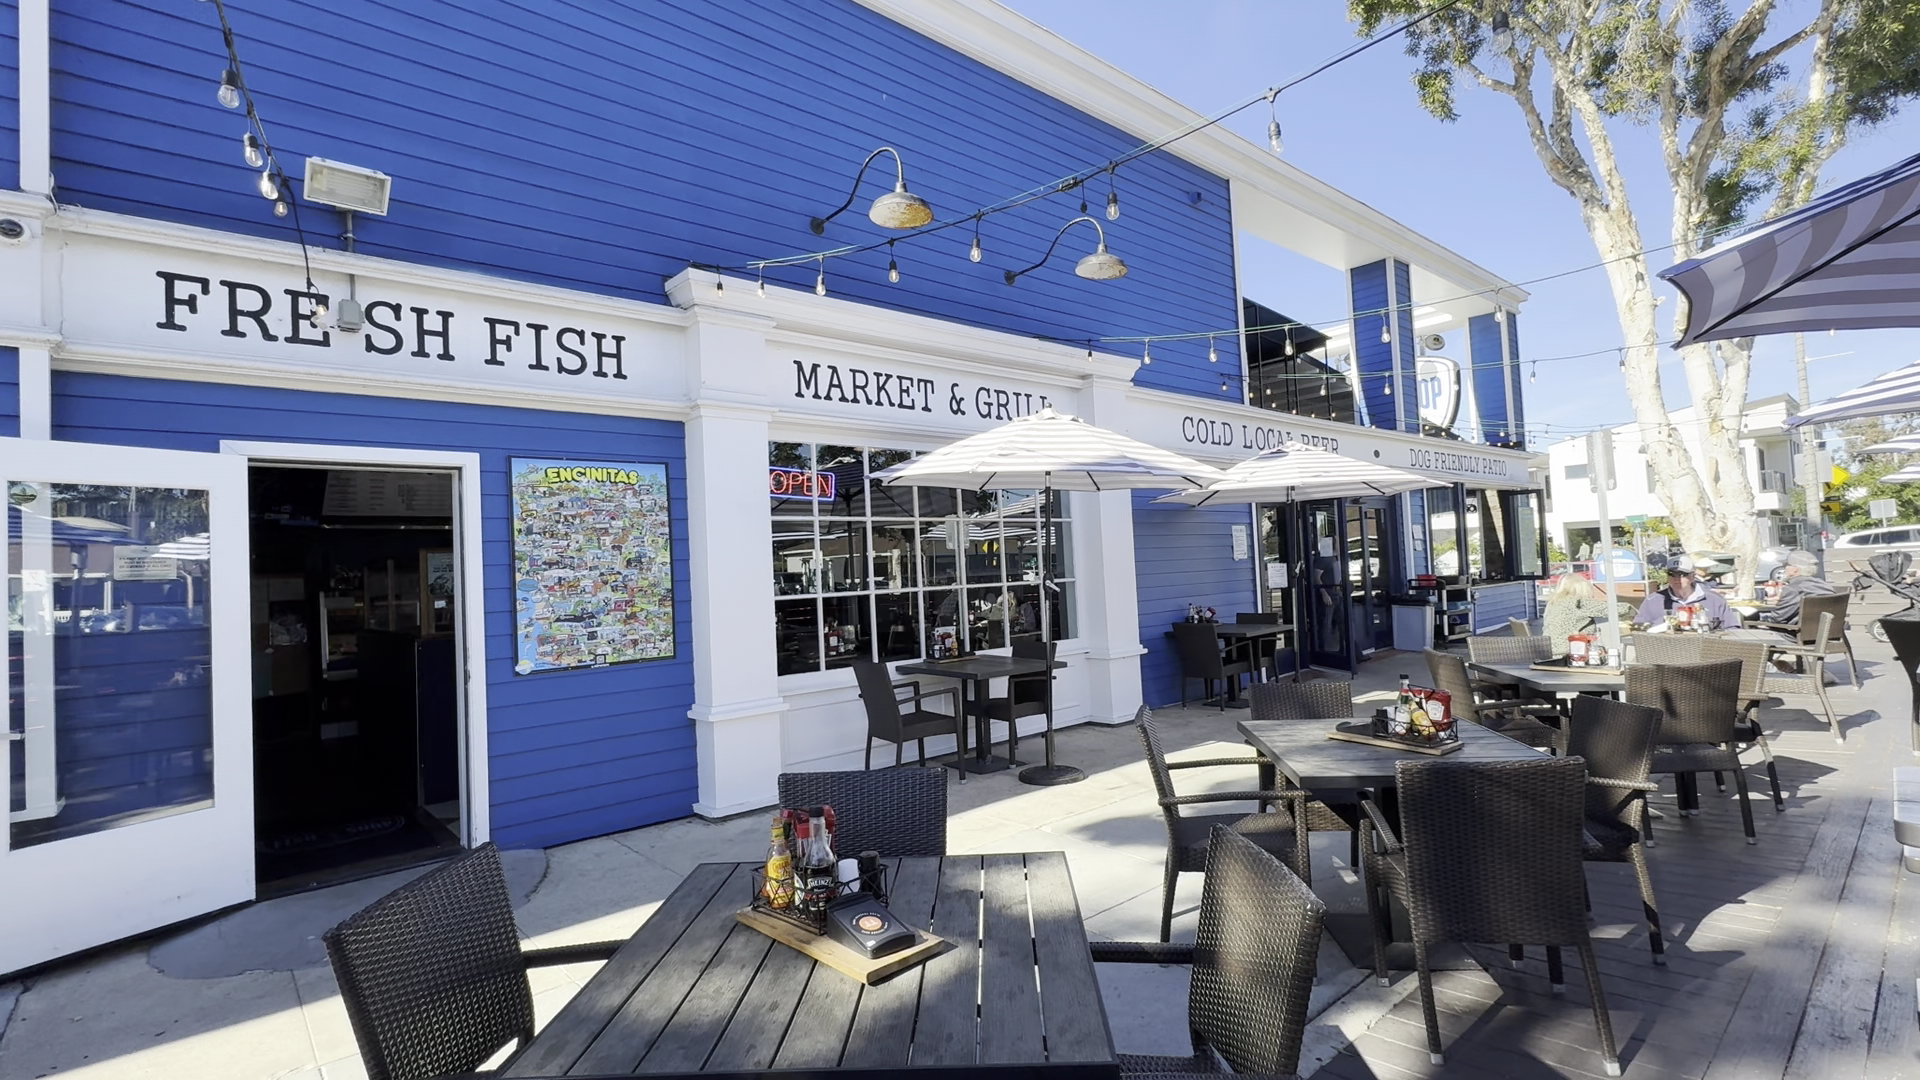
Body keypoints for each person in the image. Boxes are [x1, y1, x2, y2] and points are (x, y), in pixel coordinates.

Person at [1542, 572, 1635, 656]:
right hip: (1570, 652)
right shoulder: (1578, 602)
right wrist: (1634, 609)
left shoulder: (1553, 603)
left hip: (1548, 651)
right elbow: (1613, 609)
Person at [1635, 556, 1739, 630]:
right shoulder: (1653, 601)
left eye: (1682, 574)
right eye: (1672, 574)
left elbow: (1733, 629)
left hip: (1707, 650)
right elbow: (1638, 629)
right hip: (1666, 651)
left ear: (1692, 577)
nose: (1676, 579)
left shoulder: (1714, 600)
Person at [1757, 550, 1840, 629]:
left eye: (1786, 564)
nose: (1784, 567)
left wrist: (1760, 620)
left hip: (1795, 634)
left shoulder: (1793, 588)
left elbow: (1777, 619)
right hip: (1828, 632)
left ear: (1795, 570)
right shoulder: (1825, 585)